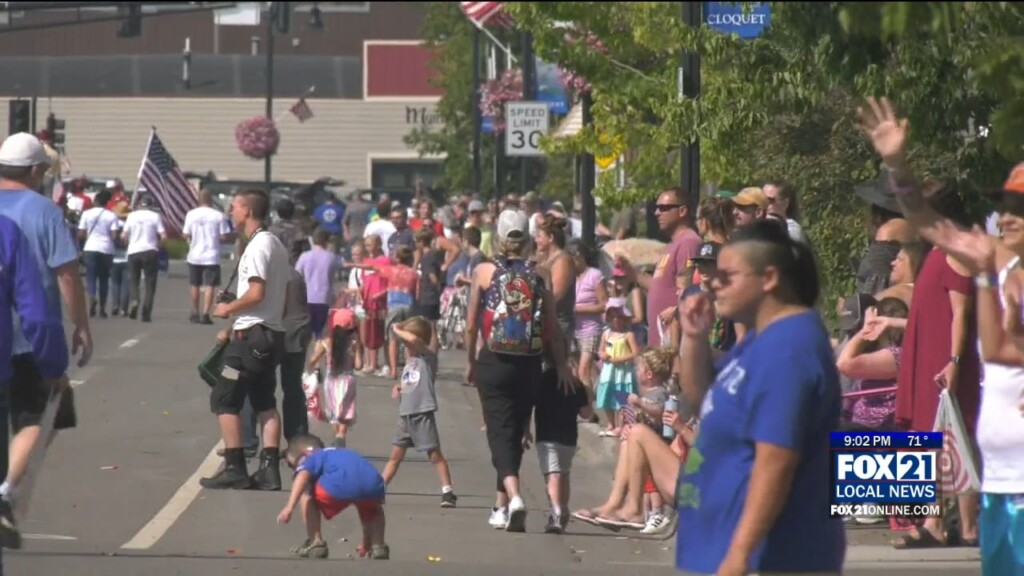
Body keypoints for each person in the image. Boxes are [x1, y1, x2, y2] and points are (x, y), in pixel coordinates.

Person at [675, 220, 845, 575]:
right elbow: (703, 400)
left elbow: (776, 460)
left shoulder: (788, 349)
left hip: (773, 558)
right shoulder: (760, 339)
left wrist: (739, 555)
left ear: (768, 278)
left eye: (727, 276)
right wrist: (693, 339)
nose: (712, 284)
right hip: (725, 551)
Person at [0, 133, 90, 548]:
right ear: (37, 171)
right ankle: (5, 493)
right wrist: (81, 325)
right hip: (25, 336)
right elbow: (65, 274)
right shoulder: (43, 213)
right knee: (36, 416)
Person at [465, 209, 575, 532]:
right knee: (516, 430)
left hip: (495, 360)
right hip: (529, 361)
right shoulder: (540, 273)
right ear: (527, 239)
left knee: (499, 429)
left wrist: (471, 362)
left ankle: (514, 498)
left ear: (499, 238)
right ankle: (500, 507)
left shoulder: (484, 271)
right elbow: (552, 327)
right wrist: (561, 364)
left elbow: (471, 325)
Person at [202, 189, 290, 491]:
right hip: (271, 333)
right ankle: (269, 469)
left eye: (234, 206)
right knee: (265, 401)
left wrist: (228, 308)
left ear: (248, 211)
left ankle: (235, 466)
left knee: (224, 398)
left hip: (251, 336)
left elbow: (256, 293)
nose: (230, 211)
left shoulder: (256, 248)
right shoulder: (276, 244)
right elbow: (283, 292)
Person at [0, 213, 71, 549]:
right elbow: (36, 312)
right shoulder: (7, 230)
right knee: (29, 419)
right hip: (9, 353)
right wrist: (53, 364)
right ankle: (3, 494)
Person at [380, 316, 457, 508]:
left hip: (422, 413)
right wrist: (399, 386)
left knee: (434, 454)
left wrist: (398, 330)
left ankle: (447, 491)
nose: (404, 345)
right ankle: (379, 488)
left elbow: (415, 341)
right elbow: (411, 381)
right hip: (405, 415)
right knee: (395, 456)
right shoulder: (411, 360)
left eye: (406, 342)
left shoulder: (427, 357)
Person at [277, 435, 389, 560]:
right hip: (373, 484)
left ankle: (315, 542)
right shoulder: (342, 453)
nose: (295, 470)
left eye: (293, 465)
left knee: (307, 491)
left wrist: (289, 507)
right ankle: (378, 545)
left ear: (305, 454)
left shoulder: (313, 456)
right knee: (372, 509)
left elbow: (302, 476)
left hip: (338, 485)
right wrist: (365, 541)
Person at [306, 309, 359, 448]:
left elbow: (312, 360)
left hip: (332, 381)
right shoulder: (353, 343)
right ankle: (341, 435)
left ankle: (337, 437)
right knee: (345, 411)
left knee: (334, 412)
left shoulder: (327, 342)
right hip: (348, 379)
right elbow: (359, 364)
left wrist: (313, 367)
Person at [183, 189, 232, 325]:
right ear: (210, 200)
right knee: (210, 285)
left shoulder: (191, 215)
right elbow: (224, 235)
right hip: (211, 254)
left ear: (199, 200)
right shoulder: (218, 215)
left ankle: (195, 312)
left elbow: (185, 234)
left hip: (195, 254)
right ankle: (205, 313)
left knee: (195, 284)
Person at [595, 298, 639, 438]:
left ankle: (621, 425)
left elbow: (635, 353)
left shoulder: (628, 334)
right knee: (607, 395)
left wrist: (620, 359)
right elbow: (600, 350)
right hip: (609, 371)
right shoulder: (606, 333)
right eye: (612, 317)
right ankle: (610, 423)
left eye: (619, 317)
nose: (616, 320)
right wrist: (603, 355)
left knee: (622, 398)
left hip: (623, 371)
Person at [121, 194, 166, 323]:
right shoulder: (155, 216)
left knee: (133, 280)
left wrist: (125, 242)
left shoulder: (132, 216)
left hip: (134, 251)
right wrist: (159, 246)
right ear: (151, 205)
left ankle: (135, 299)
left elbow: (124, 235)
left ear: (140, 205)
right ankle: (146, 313)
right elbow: (163, 236)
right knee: (150, 284)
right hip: (150, 250)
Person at [77, 189, 120, 318]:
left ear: (95, 201)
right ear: (107, 202)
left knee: (90, 276)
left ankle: (91, 296)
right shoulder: (111, 216)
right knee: (104, 279)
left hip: (90, 247)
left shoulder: (86, 214)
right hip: (106, 249)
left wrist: (81, 246)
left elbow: (81, 234)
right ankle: (102, 308)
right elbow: (114, 235)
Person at [295, 228, 340, 339]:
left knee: (307, 332)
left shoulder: (304, 256)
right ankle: (317, 354)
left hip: (307, 297)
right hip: (324, 298)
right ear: (327, 242)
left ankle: (310, 354)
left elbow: (297, 275)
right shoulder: (331, 257)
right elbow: (343, 265)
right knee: (321, 333)